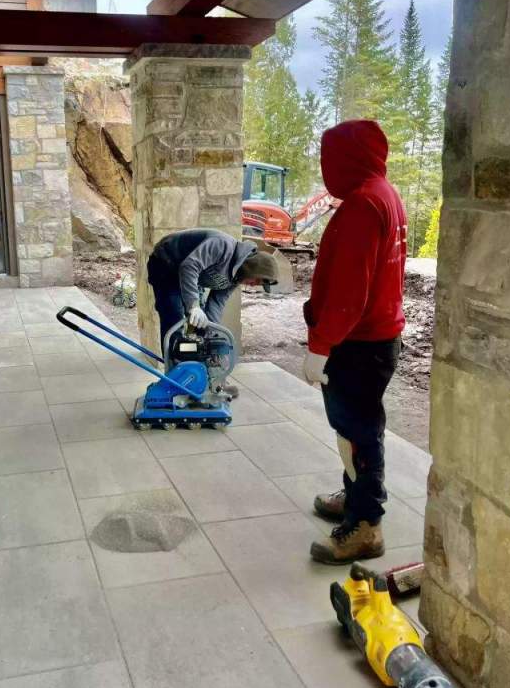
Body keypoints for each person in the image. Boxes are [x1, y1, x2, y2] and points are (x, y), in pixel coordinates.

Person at [302, 119, 407, 564]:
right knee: (358, 430)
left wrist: (320, 346)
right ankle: (356, 497)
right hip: (377, 337)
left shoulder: (364, 204)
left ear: (347, 158)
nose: (328, 169)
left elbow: (349, 292)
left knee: (357, 434)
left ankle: (366, 526)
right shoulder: (385, 193)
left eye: (331, 158)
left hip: (358, 343)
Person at [147, 229, 278, 392]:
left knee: (201, 328)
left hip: (189, 276)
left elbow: (216, 304)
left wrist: (213, 336)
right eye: (256, 280)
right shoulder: (221, 246)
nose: (253, 284)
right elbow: (190, 266)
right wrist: (193, 305)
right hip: (166, 263)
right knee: (174, 317)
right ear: (252, 266)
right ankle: (174, 380)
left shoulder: (234, 279)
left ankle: (206, 378)